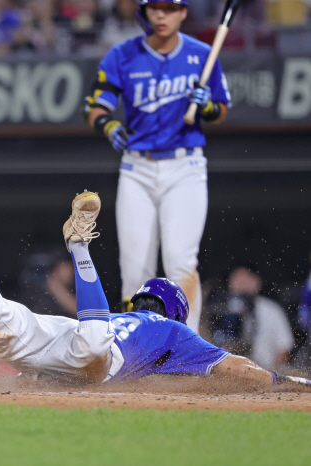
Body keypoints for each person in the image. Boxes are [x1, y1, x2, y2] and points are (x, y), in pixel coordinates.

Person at [0, 190, 311, 388]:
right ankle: (79, 246)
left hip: (60, 341)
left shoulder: (129, 317)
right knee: (92, 341)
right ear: (174, 311)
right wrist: (291, 383)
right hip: (92, 351)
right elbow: (238, 368)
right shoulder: (174, 332)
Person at [83, 0, 232, 334]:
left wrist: (206, 105)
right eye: (155, 8)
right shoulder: (122, 54)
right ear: (144, 12)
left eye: (170, 8)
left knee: (182, 261)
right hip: (137, 168)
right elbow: (95, 106)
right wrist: (108, 126)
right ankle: (133, 341)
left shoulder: (201, 54)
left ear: (183, 12)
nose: (161, 15)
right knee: (135, 268)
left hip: (185, 165)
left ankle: (188, 342)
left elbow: (221, 109)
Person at [208, 266, 295, 372]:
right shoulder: (219, 309)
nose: (242, 283)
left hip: (264, 371)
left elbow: (285, 348)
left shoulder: (271, 309)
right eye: (237, 278)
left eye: (246, 278)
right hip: (228, 371)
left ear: (257, 281)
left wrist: (273, 373)